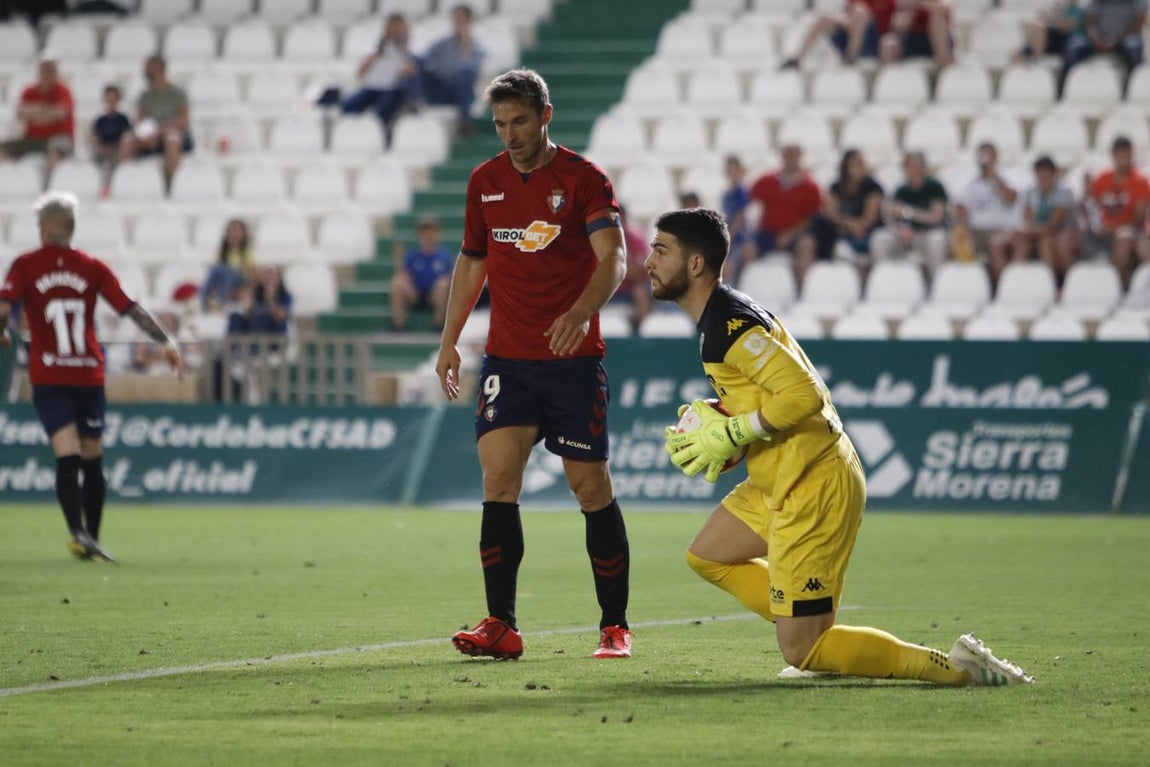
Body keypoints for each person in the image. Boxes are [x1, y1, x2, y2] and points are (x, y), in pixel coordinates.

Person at [646, 206, 1034, 687]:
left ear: (695, 264)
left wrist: (735, 431)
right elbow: (771, 397)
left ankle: (959, 669)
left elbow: (805, 395)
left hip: (813, 484)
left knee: (803, 651)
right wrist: (726, 422)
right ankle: (805, 616)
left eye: (660, 250)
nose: (649, 261)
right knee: (707, 555)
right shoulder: (721, 318)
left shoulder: (730, 326)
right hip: (779, 476)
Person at [435, 69, 632, 661]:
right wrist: (449, 340)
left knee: (589, 488)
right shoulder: (485, 181)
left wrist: (581, 312)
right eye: (500, 124)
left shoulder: (584, 178)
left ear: (546, 115)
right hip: (508, 361)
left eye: (519, 121)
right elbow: (473, 261)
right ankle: (502, 624)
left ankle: (614, 626)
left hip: (572, 361)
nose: (510, 134)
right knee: (498, 482)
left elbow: (614, 257)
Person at [0, 191, 183, 562]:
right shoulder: (92, 266)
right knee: (92, 455)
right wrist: (165, 340)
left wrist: (3, 331)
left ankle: (78, 533)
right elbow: (129, 307)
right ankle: (92, 537)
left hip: (49, 373)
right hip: (87, 372)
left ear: (45, 228)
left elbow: (3, 308)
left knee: (66, 454)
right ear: (70, 228)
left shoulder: (25, 264)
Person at [341, 13, 421, 138]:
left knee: (382, 112)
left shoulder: (406, 52)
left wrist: (403, 45)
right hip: (372, 87)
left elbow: (412, 70)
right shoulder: (378, 49)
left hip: (391, 89)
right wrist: (377, 53)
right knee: (349, 106)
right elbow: (361, 72)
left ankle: (378, 137)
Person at [119, 55, 193, 188]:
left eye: (149, 66)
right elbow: (139, 120)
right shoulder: (145, 96)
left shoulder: (178, 93)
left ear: (159, 67)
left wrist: (160, 132)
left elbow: (182, 121)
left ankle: (170, 186)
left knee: (171, 138)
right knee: (127, 140)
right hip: (151, 137)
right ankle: (128, 184)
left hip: (174, 136)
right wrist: (144, 134)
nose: (145, 70)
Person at [1007, 155, 1081, 285]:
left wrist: (1031, 231)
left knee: (1046, 243)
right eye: (1040, 178)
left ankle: (1054, 284)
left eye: (1046, 178)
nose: (1043, 182)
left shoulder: (1064, 192)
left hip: (1061, 232)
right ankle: (1014, 283)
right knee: (1020, 242)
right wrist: (1028, 231)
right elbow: (1028, 219)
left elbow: (1054, 225)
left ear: (1054, 175)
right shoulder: (1030, 192)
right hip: (1038, 232)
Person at [1085, 135, 1150, 285]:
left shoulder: (1140, 182)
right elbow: (1091, 207)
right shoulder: (1102, 180)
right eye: (1120, 155)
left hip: (1132, 231)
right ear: (1114, 156)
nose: (1124, 160)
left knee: (1128, 240)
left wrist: (1114, 227)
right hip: (1104, 234)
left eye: (1127, 155)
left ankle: (1122, 285)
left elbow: (1138, 218)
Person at [810, 148, 884, 278]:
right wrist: (848, 224)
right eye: (856, 163)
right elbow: (830, 214)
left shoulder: (873, 188)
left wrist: (843, 221)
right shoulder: (836, 187)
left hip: (867, 235)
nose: (860, 167)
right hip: (842, 233)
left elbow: (867, 221)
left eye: (861, 163)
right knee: (819, 222)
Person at [871, 151, 949, 273]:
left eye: (908, 165)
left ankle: (936, 278)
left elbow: (936, 217)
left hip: (927, 234)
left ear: (920, 167)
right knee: (880, 238)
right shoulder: (901, 190)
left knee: (937, 240)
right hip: (905, 235)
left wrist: (908, 212)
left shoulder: (935, 187)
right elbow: (892, 216)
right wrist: (899, 229)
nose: (904, 169)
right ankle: (882, 276)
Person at [747, 144, 820, 268]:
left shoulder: (810, 186)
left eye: (793, 155)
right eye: (787, 154)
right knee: (747, 248)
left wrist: (790, 234)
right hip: (768, 232)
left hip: (796, 234)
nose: (790, 158)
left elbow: (812, 217)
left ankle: (801, 280)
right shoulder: (767, 180)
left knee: (807, 245)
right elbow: (749, 198)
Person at [0, 57, 74, 175]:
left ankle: (49, 182)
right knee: (3, 148)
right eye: (45, 71)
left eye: (50, 71)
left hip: (58, 138)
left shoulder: (63, 91)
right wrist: (48, 112)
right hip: (32, 138)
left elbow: (60, 113)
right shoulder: (29, 91)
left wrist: (35, 113)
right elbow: (21, 113)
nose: (47, 75)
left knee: (55, 151)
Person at [1058, 0, 1147, 97]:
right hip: (1097, 40)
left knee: (1133, 46)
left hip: (1125, 38)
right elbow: (1089, 22)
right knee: (1074, 46)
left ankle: (1132, 90)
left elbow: (1139, 22)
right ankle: (1061, 91)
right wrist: (1096, 39)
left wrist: (1116, 40)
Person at [421, 4, 484, 136]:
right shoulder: (441, 44)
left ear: (469, 22)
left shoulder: (476, 47)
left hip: (461, 93)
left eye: (462, 20)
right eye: (457, 20)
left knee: (464, 72)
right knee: (416, 66)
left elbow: (472, 72)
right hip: (441, 89)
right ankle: (413, 104)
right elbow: (424, 59)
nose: (459, 24)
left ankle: (464, 122)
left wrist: (465, 45)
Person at [952, 142, 1020, 265]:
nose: (985, 159)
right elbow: (961, 210)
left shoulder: (1009, 177)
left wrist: (994, 176)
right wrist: (962, 228)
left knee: (996, 245)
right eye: (982, 155)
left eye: (989, 155)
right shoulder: (970, 183)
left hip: (1001, 229)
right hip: (976, 231)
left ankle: (1000, 277)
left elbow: (1010, 198)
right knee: (956, 243)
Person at [781, 0, 894, 69]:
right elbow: (848, 16)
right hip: (850, 34)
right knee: (825, 19)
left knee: (860, 13)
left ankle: (851, 58)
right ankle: (797, 59)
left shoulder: (888, 2)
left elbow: (888, 25)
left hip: (873, 42)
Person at [390, 216, 454, 331]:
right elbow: (404, 274)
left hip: (434, 295)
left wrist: (443, 282)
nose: (428, 236)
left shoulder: (444, 256)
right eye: (424, 233)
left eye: (432, 232)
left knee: (442, 287)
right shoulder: (413, 256)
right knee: (397, 285)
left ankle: (439, 325)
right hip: (416, 293)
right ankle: (397, 324)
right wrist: (403, 281)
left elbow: (450, 276)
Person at [880, 0, 955, 67]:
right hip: (906, 39)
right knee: (889, 42)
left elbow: (943, 10)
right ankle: (888, 74)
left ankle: (945, 64)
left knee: (937, 21)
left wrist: (918, 4)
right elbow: (891, 27)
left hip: (930, 39)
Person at [201, 219, 253, 312]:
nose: (234, 234)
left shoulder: (246, 253)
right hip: (224, 281)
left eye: (237, 231)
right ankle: (203, 300)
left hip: (239, 281)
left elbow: (250, 274)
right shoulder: (221, 253)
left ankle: (221, 301)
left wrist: (246, 289)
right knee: (215, 271)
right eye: (231, 231)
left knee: (228, 272)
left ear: (244, 234)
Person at [90, 83, 132, 187]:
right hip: (103, 151)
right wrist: (102, 147)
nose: (111, 100)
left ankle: (108, 186)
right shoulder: (100, 120)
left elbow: (128, 136)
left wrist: (117, 148)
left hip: (118, 151)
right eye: (109, 97)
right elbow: (95, 136)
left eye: (113, 97)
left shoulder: (123, 119)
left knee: (112, 162)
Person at [1015, 1, 1085, 60]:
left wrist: (1056, 18)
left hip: (1067, 39)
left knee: (1040, 28)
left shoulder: (1079, 11)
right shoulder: (1066, 10)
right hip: (1055, 37)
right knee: (1036, 28)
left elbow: (1068, 26)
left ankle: (1037, 55)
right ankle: (1032, 51)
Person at [720, 155, 752, 280]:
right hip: (730, 238)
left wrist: (729, 236)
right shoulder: (726, 194)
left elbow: (740, 216)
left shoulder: (742, 192)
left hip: (740, 239)